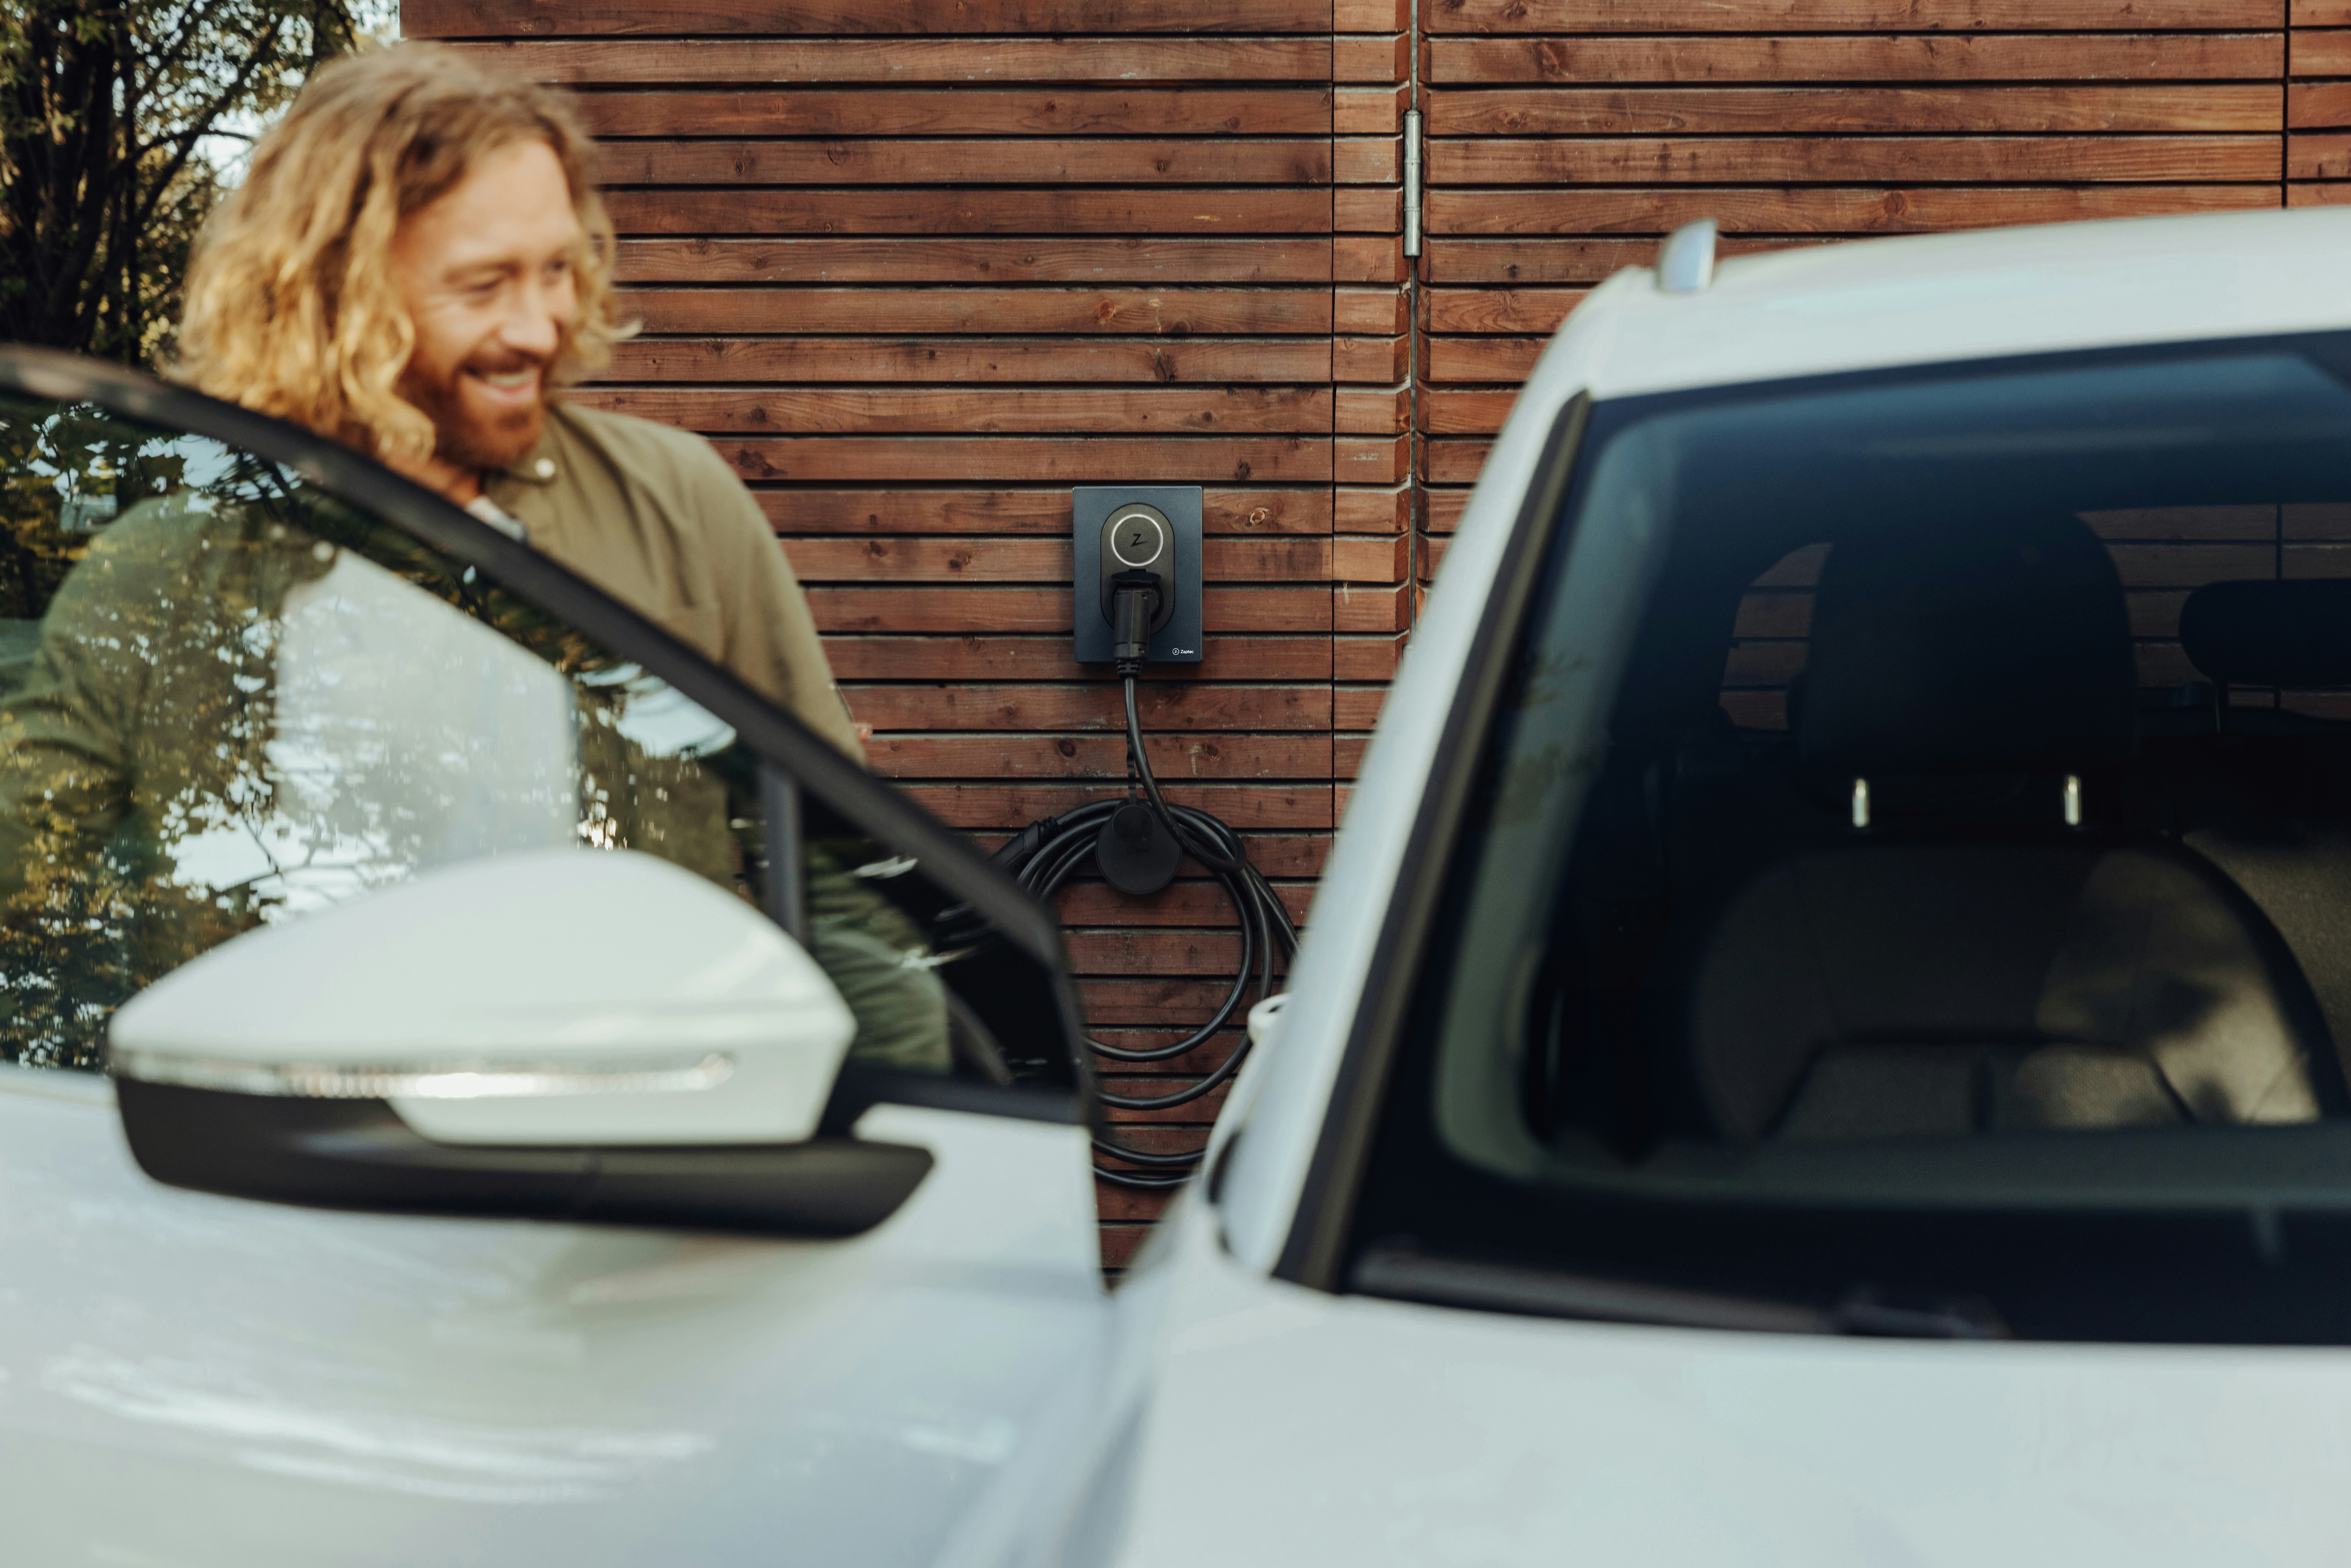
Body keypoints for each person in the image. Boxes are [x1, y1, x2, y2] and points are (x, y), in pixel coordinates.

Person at [0, 44, 952, 1074]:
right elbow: (24, 893)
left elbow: (844, 894)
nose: (541, 323)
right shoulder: (164, 571)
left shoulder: (679, 507)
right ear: (331, 295)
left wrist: (915, 1139)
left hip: (632, 1159)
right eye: (485, 283)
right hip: (274, 1170)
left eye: (557, 269)